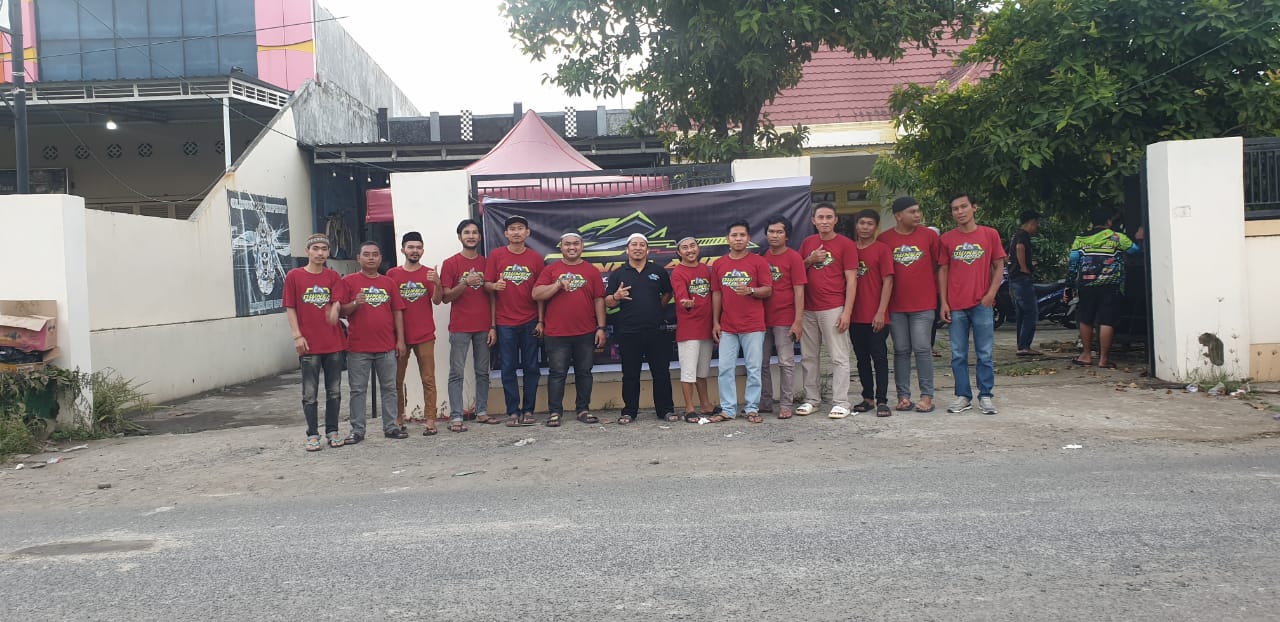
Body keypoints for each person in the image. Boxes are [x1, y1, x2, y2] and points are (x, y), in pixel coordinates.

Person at [938, 193, 1006, 415]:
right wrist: (944, 302)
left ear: (974, 207)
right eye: (955, 208)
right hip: (956, 305)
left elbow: (999, 266)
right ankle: (963, 395)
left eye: (963, 206)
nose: (960, 212)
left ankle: (985, 396)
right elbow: (943, 270)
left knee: (984, 353)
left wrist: (991, 294)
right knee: (958, 354)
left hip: (982, 304)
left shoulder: (990, 234)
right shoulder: (946, 239)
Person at [532, 232, 606, 427]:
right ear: (561, 247)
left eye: (575, 244)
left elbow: (599, 299)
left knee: (585, 373)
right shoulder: (551, 270)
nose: (572, 247)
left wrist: (601, 327)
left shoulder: (591, 271)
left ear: (582, 246)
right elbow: (536, 294)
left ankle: (583, 410)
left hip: (586, 332)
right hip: (556, 333)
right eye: (567, 244)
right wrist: (557, 284)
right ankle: (555, 412)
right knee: (557, 373)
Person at [878, 197, 944, 413]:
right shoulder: (884, 239)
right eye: (912, 211)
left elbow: (939, 266)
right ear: (899, 216)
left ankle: (926, 396)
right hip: (896, 306)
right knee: (901, 350)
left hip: (924, 305)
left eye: (918, 211)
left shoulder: (929, 236)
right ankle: (903, 397)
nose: (917, 215)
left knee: (923, 349)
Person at [283, 233, 347, 451]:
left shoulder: (333, 276)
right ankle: (312, 434)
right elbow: (290, 307)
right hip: (308, 344)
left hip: (333, 344)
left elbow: (337, 302)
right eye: (316, 249)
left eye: (324, 249)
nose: (320, 253)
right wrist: (297, 335)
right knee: (310, 393)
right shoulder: (294, 276)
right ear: (307, 251)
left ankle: (333, 431)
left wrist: (335, 311)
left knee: (334, 391)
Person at [340, 241, 408, 442]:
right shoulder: (348, 281)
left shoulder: (388, 283)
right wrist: (355, 303)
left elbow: (397, 312)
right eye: (366, 254)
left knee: (389, 388)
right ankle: (357, 430)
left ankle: (391, 427)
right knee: (358, 390)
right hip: (358, 347)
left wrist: (400, 340)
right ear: (358, 258)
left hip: (386, 346)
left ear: (380, 258)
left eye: (375, 254)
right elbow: (341, 310)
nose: (371, 258)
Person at [605, 233, 675, 424]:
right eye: (634, 245)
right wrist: (617, 296)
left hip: (656, 331)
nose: (638, 248)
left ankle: (665, 410)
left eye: (641, 245)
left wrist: (656, 308)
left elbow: (667, 293)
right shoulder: (618, 274)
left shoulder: (658, 271)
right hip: (629, 332)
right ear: (627, 249)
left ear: (647, 250)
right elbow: (608, 302)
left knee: (661, 373)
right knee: (630, 374)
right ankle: (629, 411)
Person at [797, 203, 858, 419]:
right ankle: (812, 399)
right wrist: (810, 259)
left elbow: (852, 280)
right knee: (808, 357)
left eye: (828, 217)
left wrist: (847, 312)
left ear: (835, 220)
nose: (824, 221)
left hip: (833, 307)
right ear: (813, 220)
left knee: (839, 357)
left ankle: (841, 402)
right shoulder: (808, 242)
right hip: (808, 308)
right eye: (820, 217)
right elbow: (797, 270)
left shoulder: (846, 244)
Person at [709, 220, 774, 423]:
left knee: (753, 369)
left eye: (742, 235)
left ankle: (752, 408)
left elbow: (768, 290)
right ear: (727, 239)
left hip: (753, 325)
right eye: (734, 235)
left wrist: (750, 290)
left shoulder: (758, 262)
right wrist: (715, 322)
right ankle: (728, 409)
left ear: (749, 238)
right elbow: (716, 294)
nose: (738, 239)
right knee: (725, 369)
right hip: (728, 326)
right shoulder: (719, 264)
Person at [485, 215, 544, 427]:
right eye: (512, 229)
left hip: (530, 320)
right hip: (505, 322)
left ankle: (528, 410)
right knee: (508, 368)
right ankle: (512, 411)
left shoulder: (536, 258)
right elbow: (487, 285)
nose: (516, 232)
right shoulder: (496, 255)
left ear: (527, 233)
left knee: (531, 367)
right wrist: (494, 286)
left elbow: (540, 292)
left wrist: (541, 321)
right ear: (505, 234)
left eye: (520, 228)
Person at [1066, 208, 1143, 369]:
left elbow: (1073, 265)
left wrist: (1069, 286)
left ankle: (1086, 355)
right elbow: (1135, 251)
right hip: (1110, 284)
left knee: (1085, 319)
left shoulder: (1080, 240)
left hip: (1086, 285)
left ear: (1092, 223)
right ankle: (1103, 359)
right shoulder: (1117, 237)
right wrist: (1139, 238)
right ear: (1108, 222)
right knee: (1107, 320)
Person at [439, 219, 493, 432]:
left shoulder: (487, 262)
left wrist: (493, 326)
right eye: (467, 232)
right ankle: (456, 416)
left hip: (484, 326)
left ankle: (482, 412)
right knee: (457, 373)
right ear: (459, 236)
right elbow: (445, 297)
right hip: (460, 326)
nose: (471, 236)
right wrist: (465, 283)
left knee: (483, 372)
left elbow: (492, 296)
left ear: (480, 236)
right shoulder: (450, 263)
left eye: (475, 232)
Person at [758, 216, 806, 419]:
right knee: (761, 363)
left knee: (786, 362)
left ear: (787, 236)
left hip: (785, 318)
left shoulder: (794, 258)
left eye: (779, 232)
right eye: (771, 231)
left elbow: (799, 291)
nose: (774, 235)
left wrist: (798, 321)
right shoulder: (761, 257)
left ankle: (786, 404)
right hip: (761, 319)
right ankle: (765, 402)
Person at [849, 209, 895, 418]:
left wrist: (881, 312)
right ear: (856, 225)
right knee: (861, 359)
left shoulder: (882, 249)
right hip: (854, 316)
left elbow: (888, 282)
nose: (865, 227)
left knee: (880, 358)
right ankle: (867, 398)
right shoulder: (849, 249)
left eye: (869, 223)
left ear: (876, 227)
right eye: (862, 223)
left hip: (876, 315)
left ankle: (882, 400)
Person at [670, 236, 718, 422]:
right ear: (678, 252)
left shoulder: (705, 269)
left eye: (692, 246)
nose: (689, 250)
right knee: (688, 371)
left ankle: (705, 404)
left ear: (698, 248)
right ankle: (689, 408)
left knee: (702, 371)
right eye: (685, 247)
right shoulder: (678, 272)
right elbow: (681, 297)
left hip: (706, 327)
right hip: (689, 329)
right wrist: (686, 303)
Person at [1009, 211, 1043, 356]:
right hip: (1022, 279)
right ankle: (1024, 346)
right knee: (1031, 312)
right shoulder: (1023, 236)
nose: (1037, 226)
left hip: (1014, 277)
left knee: (1022, 313)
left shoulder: (1016, 235)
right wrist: (1024, 267)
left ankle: (1022, 345)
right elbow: (1020, 248)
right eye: (1036, 223)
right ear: (1031, 222)